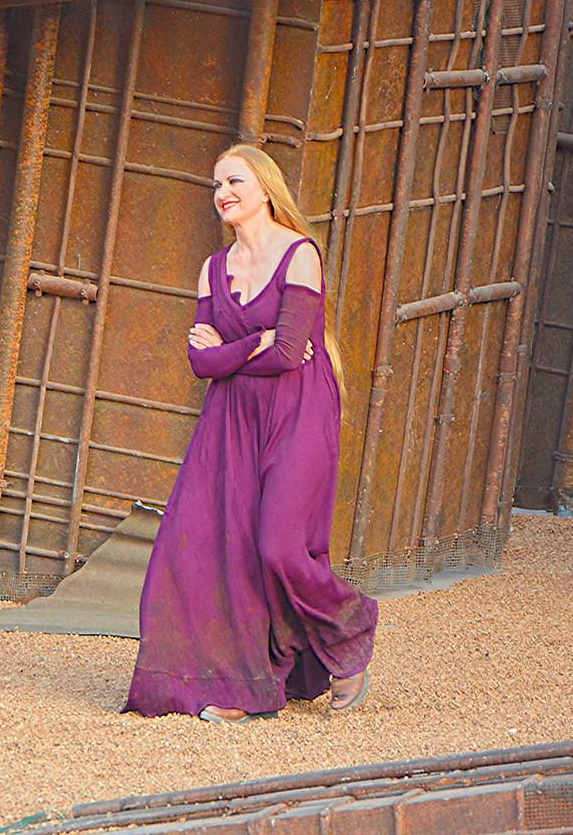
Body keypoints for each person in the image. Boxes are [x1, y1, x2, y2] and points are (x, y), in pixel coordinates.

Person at [123, 143, 378, 723]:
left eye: (234, 181)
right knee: (215, 550)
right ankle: (244, 686)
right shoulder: (213, 268)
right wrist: (255, 344)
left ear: (265, 188)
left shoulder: (300, 255)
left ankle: (347, 629)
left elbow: (289, 355)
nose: (223, 193)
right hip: (231, 419)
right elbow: (201, 363)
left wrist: (236, 350)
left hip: (299, 413)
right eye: (216, 184)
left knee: (279, 546)